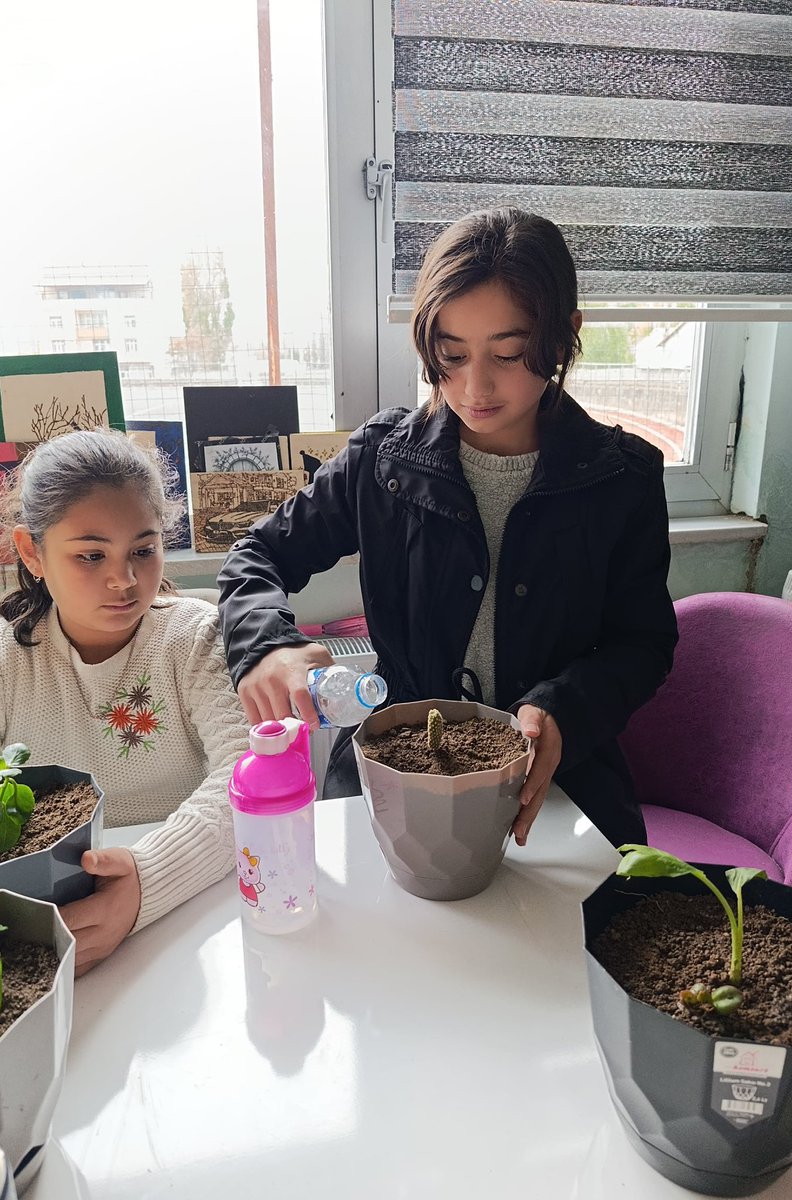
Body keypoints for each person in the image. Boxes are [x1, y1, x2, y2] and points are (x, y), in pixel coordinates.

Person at [218, 208, 678, 851]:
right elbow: (256, 555)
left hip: (557, 790)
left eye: (510, 353)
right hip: (394, 774)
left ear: (566, 333)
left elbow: (643, 643)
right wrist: (266, 646)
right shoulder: (383, 461)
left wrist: (565, 708)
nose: (475, 385)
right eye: (450, 356)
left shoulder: (621, 477)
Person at [0, 429, 249, 974]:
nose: (124, 579)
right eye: (91, 555)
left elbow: (247, 774)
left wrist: (145, 879)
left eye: (144, 550)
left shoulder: (193, 639)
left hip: (198, 917)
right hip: (57, 928)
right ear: (33, 551)